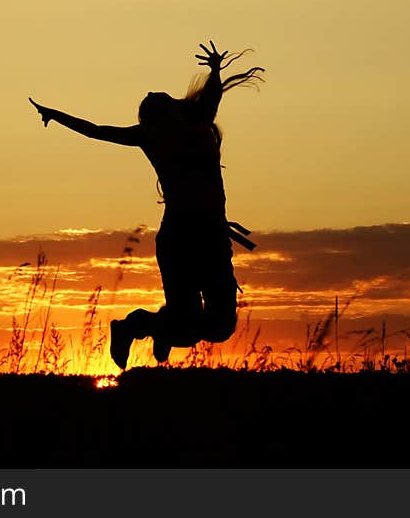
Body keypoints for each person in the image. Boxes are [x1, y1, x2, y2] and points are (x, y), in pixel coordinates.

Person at [29, 41, 264, 369]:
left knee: (220, 327)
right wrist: (56, 115)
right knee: (186, 329)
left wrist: (214, 70)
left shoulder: (198, 125)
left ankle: (153, 327)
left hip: (211, 236)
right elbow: (97, 131)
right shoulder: (150, 136)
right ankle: (133, 327)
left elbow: (212, 95)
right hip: (180, 239)